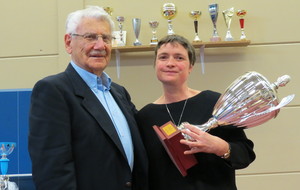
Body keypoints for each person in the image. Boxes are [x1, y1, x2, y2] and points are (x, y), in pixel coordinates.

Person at [28, 6, 148, 190]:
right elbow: (52, 172)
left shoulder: (119, 93)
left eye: (106, 38)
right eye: (90, 37)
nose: (100, 46)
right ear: (68, 42)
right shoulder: (53, 91)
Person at [136, 34, 256, 190]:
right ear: (155, 65)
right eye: (163, 57)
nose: (170, 63)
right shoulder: (144, 117)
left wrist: (219, 146)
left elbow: (245, 154)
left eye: (179, 58)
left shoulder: (214, 103)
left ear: (190, 66)